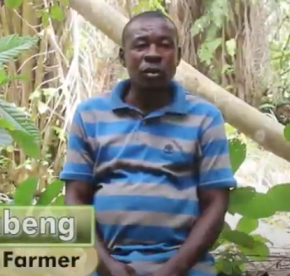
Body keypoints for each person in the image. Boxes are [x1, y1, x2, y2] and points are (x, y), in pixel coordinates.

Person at [60, 10, 236, 276]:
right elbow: (75, 197)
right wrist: (106, 265)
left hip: (186, 267)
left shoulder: (204, 117)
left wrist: (173, 270)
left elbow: (215, 203)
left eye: (164, 45)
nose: (153, 53)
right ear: (123, 56)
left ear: (178, 56)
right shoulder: (90, 115)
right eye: (141, 45)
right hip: (104, 264)